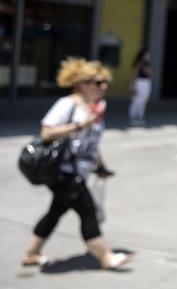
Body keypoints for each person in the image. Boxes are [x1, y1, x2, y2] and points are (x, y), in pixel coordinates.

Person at [21, 58, 132, 270]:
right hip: (63, 172)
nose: (103, 87)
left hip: (78, 170)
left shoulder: (94, 109)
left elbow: (91, 144)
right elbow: (46, 132)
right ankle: (106, 257)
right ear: (82, 83)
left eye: (104, 82)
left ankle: (31, 253)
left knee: (55, 212)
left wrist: (100, 166)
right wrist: (80, 125)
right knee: (87, 211)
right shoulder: (67, 105)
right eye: (97, 82)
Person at [129, 49, 153, 125]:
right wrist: (134, 84)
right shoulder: (139, 64)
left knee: (143, 100)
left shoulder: (146, 64)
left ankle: (140, 117)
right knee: (137, 100)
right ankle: (133, 117)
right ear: (142, 56)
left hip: (146, 83)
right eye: (146, 55)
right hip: (140, 82)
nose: (148, 56)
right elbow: (135, 74)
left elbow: (151, 75)